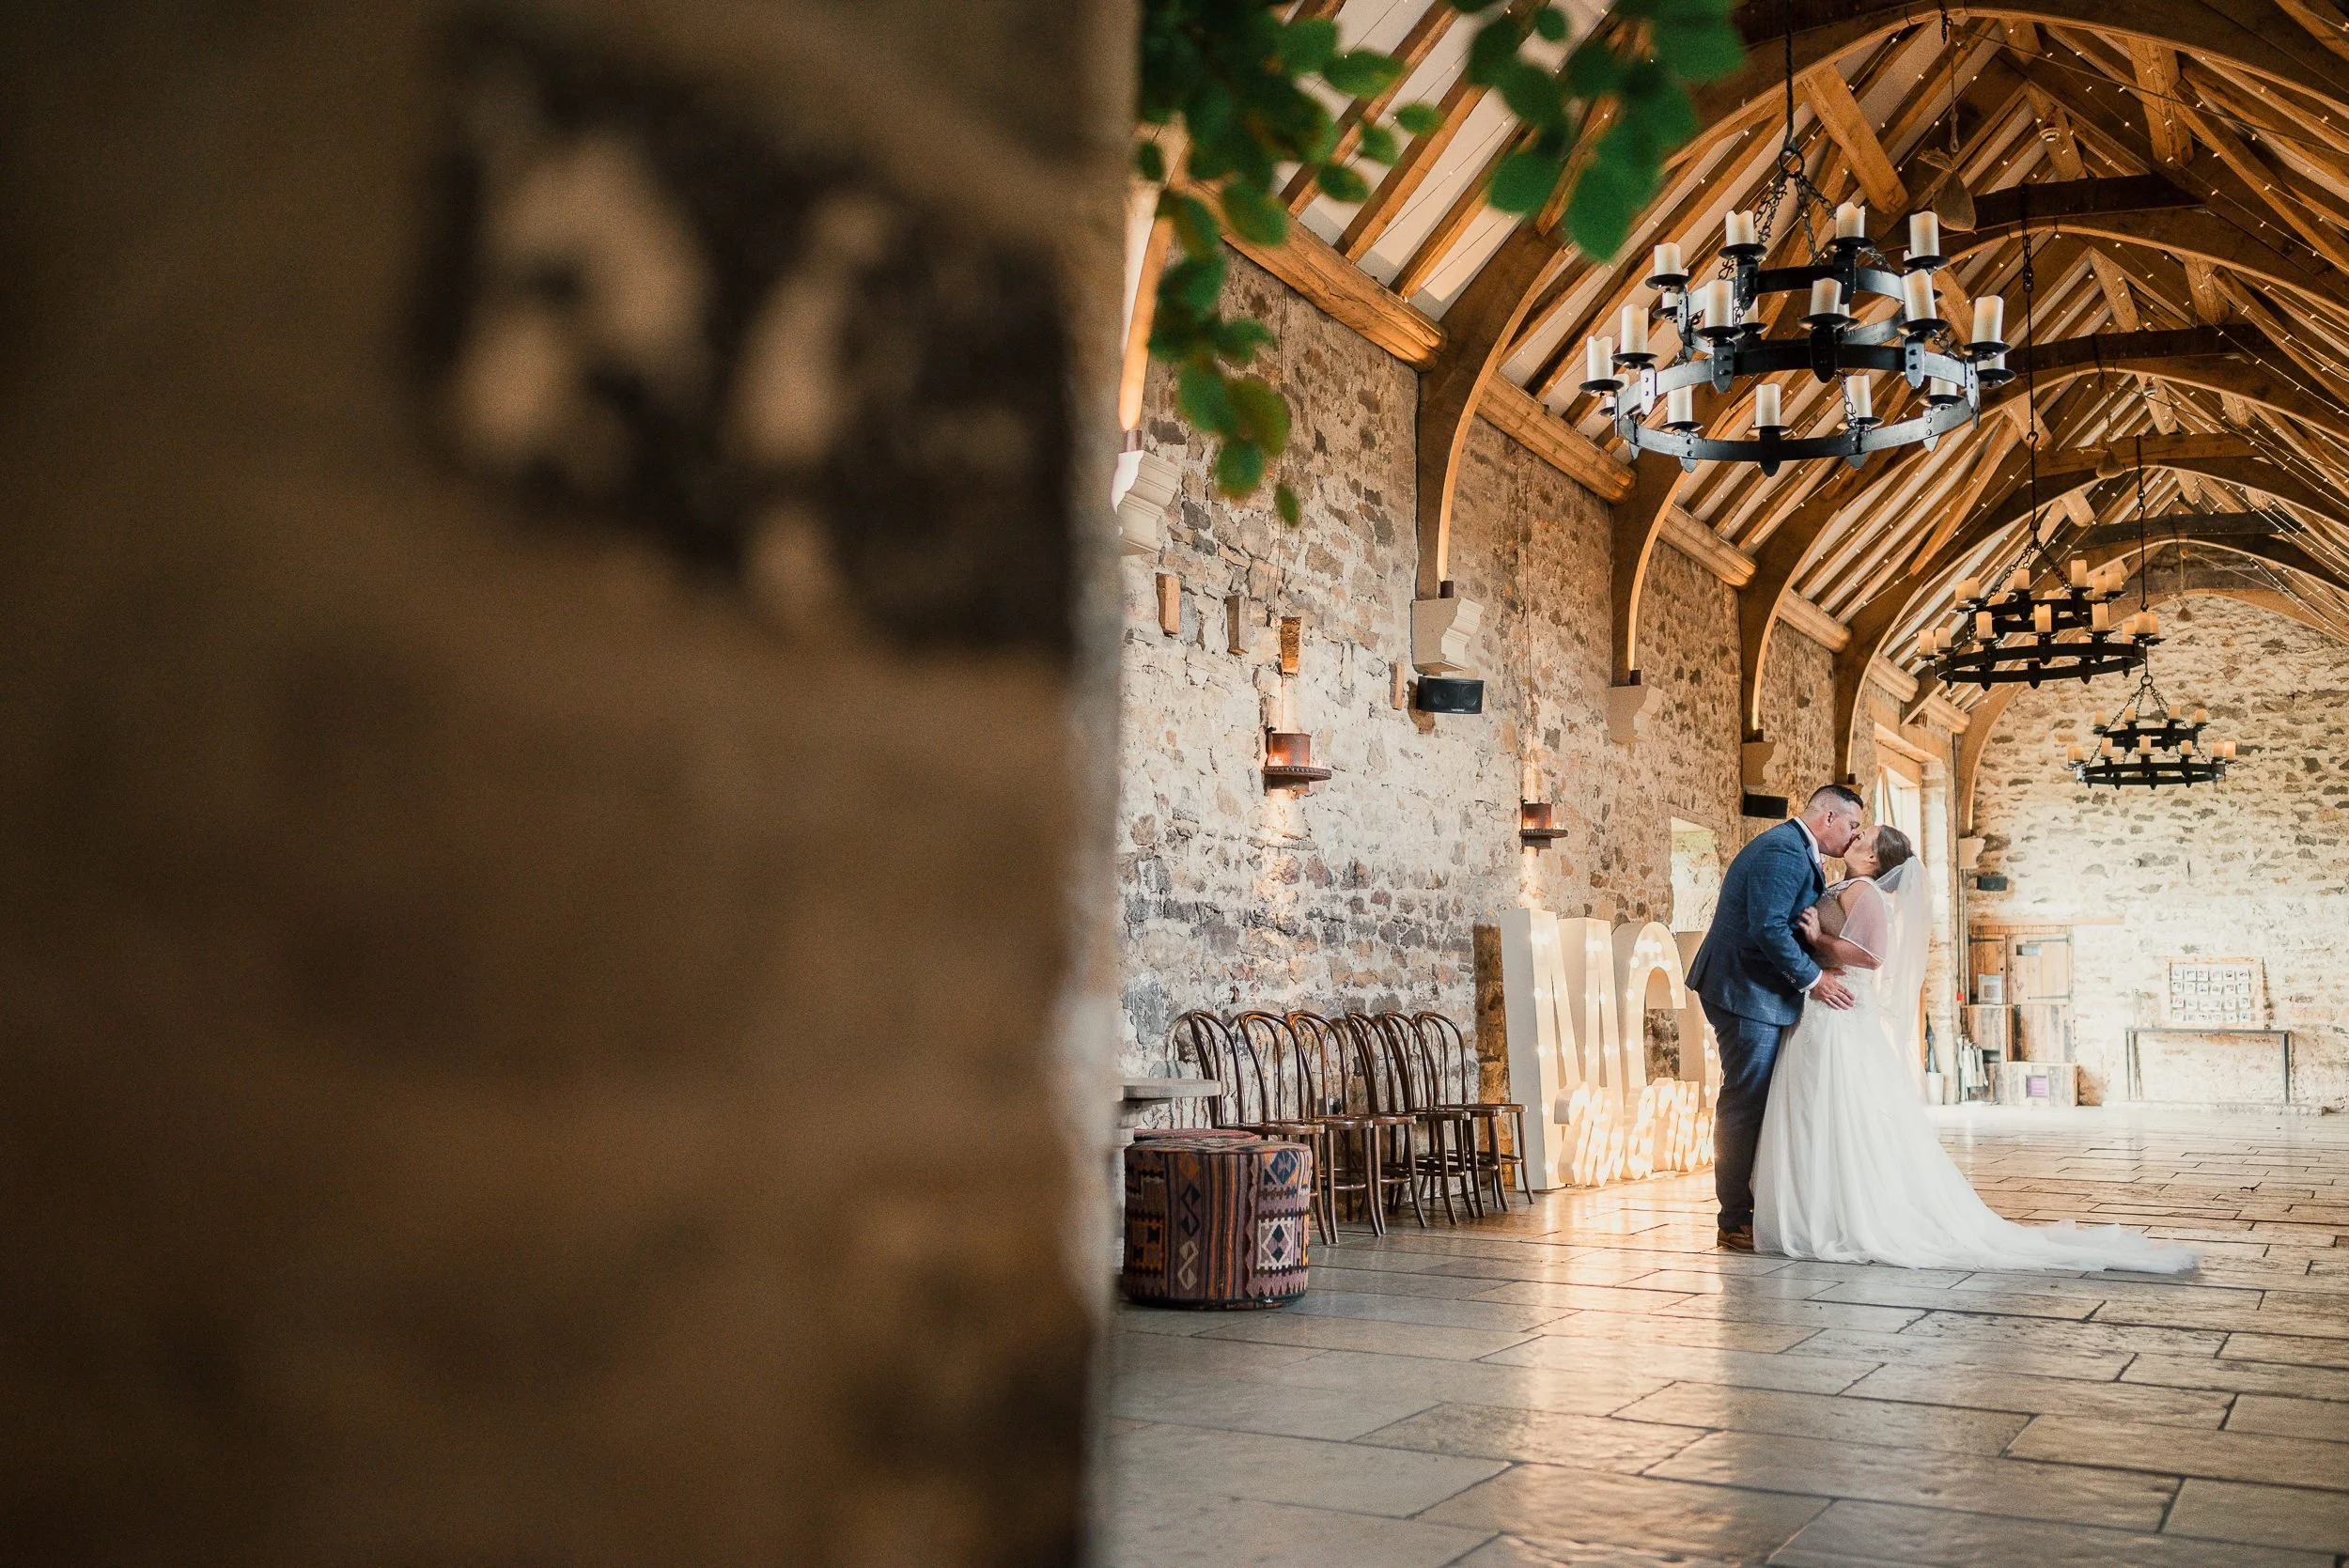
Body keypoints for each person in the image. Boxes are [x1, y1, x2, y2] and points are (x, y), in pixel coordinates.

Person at [1751, 823, 2199, 1273]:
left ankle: (1846, 1214)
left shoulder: (1864, 891)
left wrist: (1818, 940)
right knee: (1818, 1108)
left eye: (1864, 834)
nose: (1856, 835)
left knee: (1838, 1108)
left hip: (1840, 1009)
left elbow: (1872, 956)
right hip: (1823, 1006)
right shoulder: (1846, 885)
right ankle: (1819, 1209)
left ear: (1872, 859)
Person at [1686, 784, 1866, 1252]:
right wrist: (1814, 979)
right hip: (1745, 991)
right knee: (1745, 1102)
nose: (1854, 835)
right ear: (1828, 817)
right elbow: (1767, 928)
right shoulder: (1782, 851)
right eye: (1852, 825)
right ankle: (1733, 1220)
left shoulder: (1798, 850)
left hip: (1760, 990)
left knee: (1761, 1102)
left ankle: (1761, 1207)